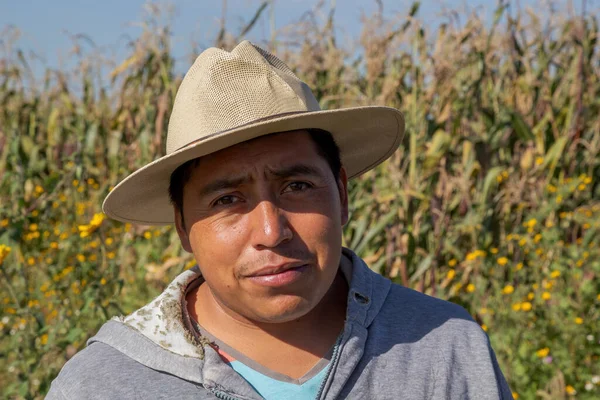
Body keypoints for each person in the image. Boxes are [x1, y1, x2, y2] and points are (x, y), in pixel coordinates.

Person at [47, 40, 512, 399]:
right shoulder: (104, 385)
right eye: (227, 199)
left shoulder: (444, 351)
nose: (271, 232)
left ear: (342, 194)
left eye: (297, 187)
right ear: (183, 226)